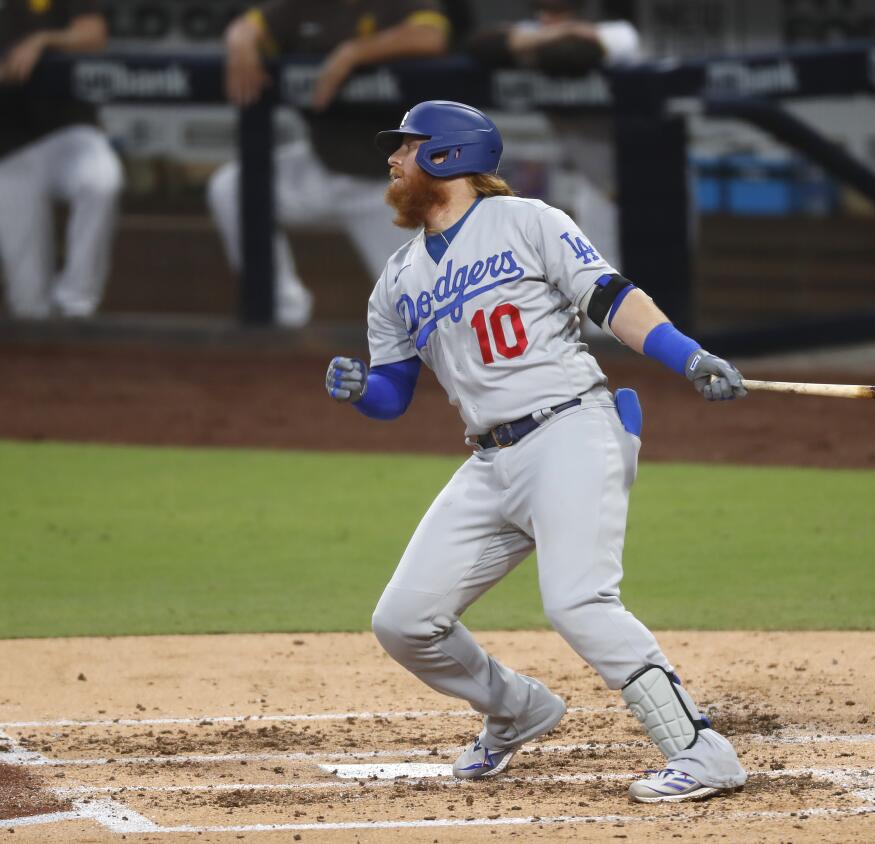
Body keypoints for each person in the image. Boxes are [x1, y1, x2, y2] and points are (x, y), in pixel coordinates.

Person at [324, 100, 749, 802]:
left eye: (405, 148)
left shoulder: (528, 221)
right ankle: (515, 707)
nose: (393, 162)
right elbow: (393, 396)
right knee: (402, 622)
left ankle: (701, 751)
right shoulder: (396, 279)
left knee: (578, 600)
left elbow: (611, 298)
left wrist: (688, 354)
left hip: (570, 433)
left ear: (447, 155)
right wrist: (359, 389)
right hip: (491, 461)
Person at [208, 0, 450, 327]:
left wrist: (353, 53)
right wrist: (240, 42)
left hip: (391, 183)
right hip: (323, 164)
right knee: (231, 188)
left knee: (428, 319)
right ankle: (282, 314)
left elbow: (431, 36)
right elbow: (247, 26)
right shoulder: (306, 7)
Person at [466, 0, 641, 269]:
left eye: (560, 14)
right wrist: (550, 34)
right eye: (545, 14)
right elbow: (481, 45)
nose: (549, 20)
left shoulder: (619, 33)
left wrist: (527, 44)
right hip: (597, 187)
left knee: (657, 289)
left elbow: (570, 55)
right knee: (603, 295)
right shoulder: (538, 32)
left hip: (651, 185)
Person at [0, 0, 122, 320]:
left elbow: (94, 35)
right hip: (8, 149)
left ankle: (77, 304)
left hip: (70, 132)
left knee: (101, 181)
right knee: (29, 304)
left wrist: (43, 40)